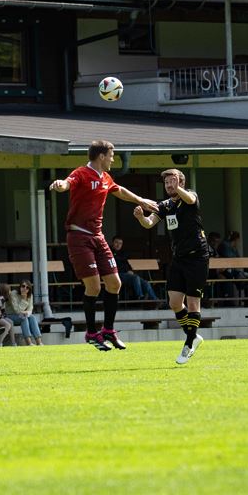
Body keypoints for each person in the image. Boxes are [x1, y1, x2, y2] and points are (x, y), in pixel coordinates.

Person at [50, 140, 158, 351]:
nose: (113, 158)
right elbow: (67, 183)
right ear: (101, 156)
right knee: (94, 287)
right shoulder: (82, 172)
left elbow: (120, 191)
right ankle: (91, 334)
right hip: (79, 237)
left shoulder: (105, 177)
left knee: (115, 283)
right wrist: (60, 184)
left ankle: (108, 330)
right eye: (111, 155)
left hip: (98, 237)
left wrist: (141, 200)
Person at [134, 168, 210, 364]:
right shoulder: (165, 205)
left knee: (193, 303)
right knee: (175, 303)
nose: (169, 186)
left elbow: (191, 200)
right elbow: (150, 223)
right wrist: (141, 217)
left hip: (197, 257)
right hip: (179, 258)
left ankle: (188, 344)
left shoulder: (190, 196)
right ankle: (194, 336)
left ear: (181, 183)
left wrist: (180, 189)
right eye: (167, 183)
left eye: (172, 182)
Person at [111, 236, 158, 303]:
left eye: (120, 243)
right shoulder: (109, 252)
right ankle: (140, 297)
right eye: (116, 242)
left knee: (146, 282)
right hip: (116, 274)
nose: (118, 245)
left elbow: (127, 263)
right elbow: (117, 263)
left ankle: (155, 300)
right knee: (135, 277)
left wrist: (130, 270)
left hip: (127, 275)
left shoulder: (123, 252)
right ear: (112, 243)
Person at [9, 281, 43, 346]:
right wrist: (24, 299)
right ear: (20, 286)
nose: (25, 288)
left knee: (32, 317)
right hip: (10, 315)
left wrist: (26, 312)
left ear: (29, 290)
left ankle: (39, 342)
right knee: (24, 318)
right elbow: (17, 310)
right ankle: (29, 342)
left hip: (22, 315)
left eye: (27, 288)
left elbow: (30, 309)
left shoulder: (30, 296)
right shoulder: (13, 294)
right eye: (23, 286)